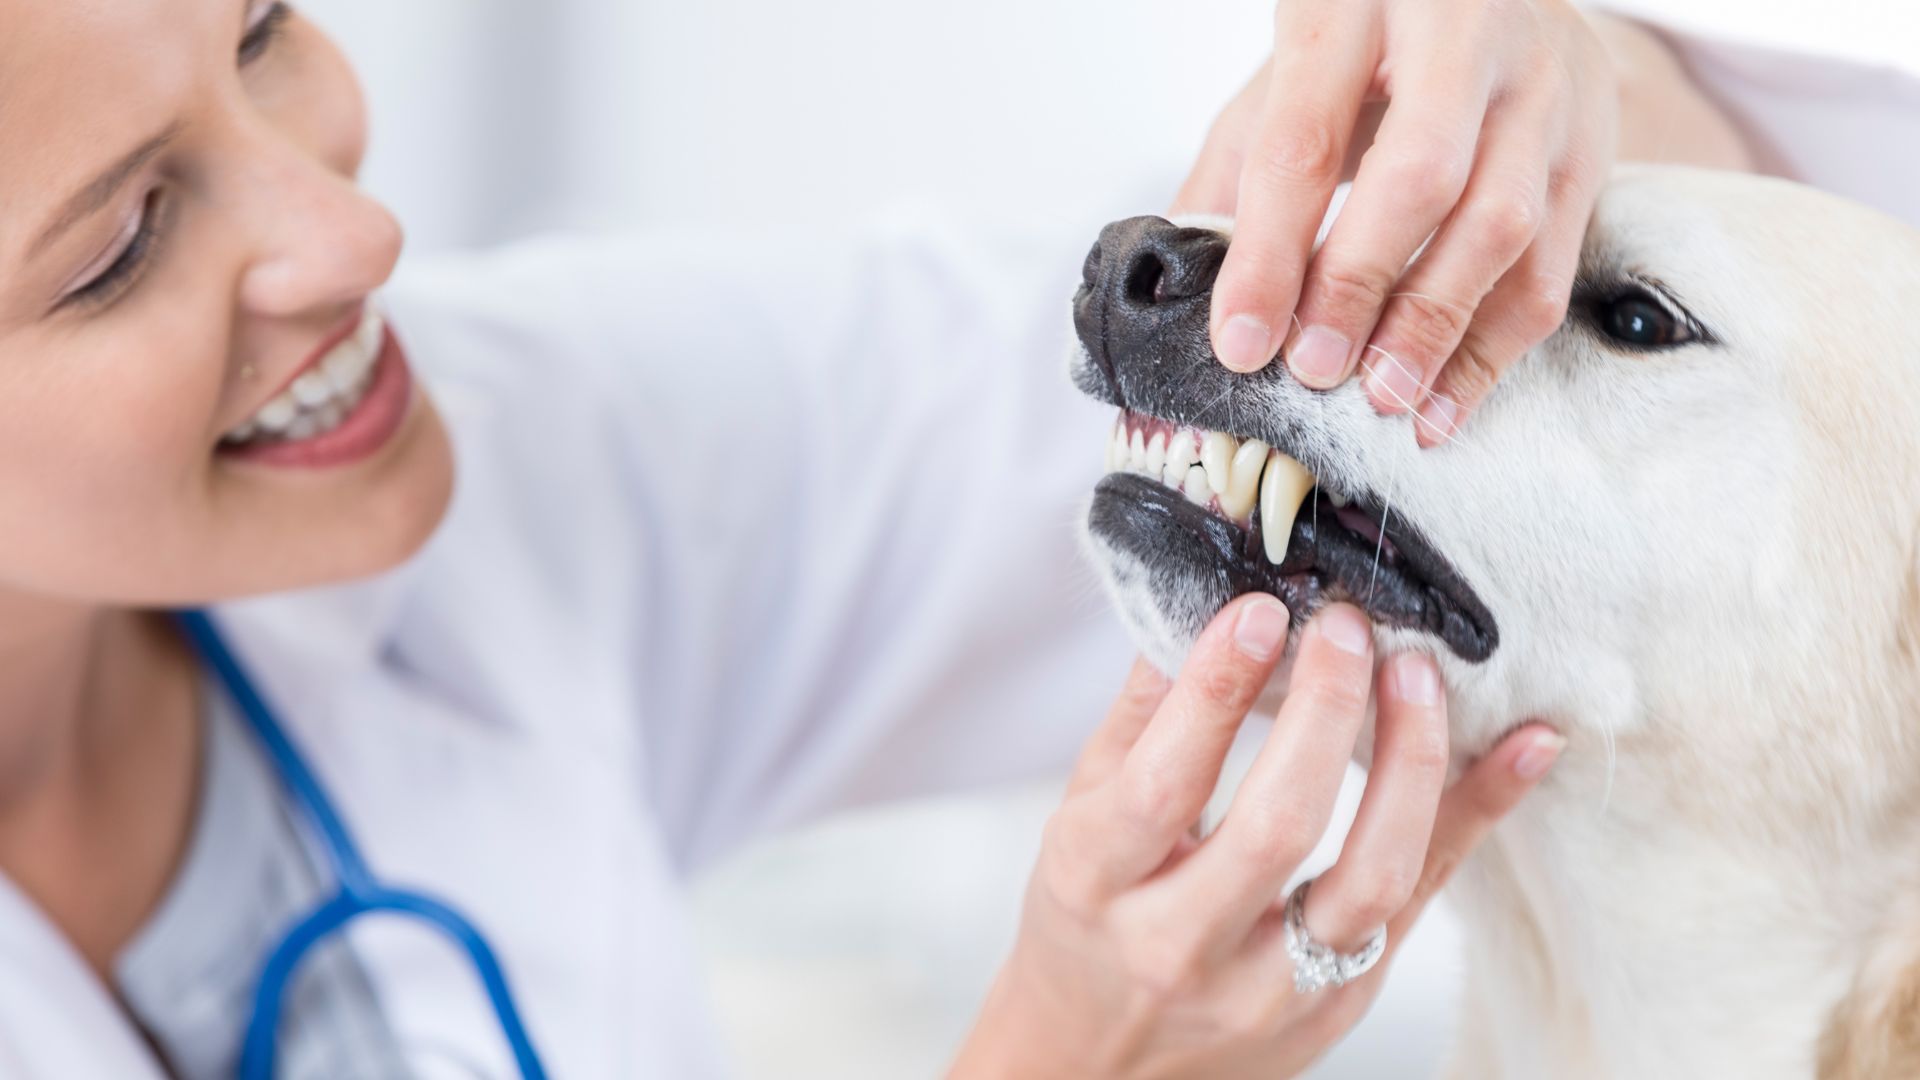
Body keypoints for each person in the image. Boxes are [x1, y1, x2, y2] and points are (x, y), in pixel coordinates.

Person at [0, 2, 1907, 1079]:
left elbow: (1146, 369)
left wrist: (1542, 71)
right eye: (113, 250)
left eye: (259, 30)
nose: (356, 241)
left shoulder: (521, 450)